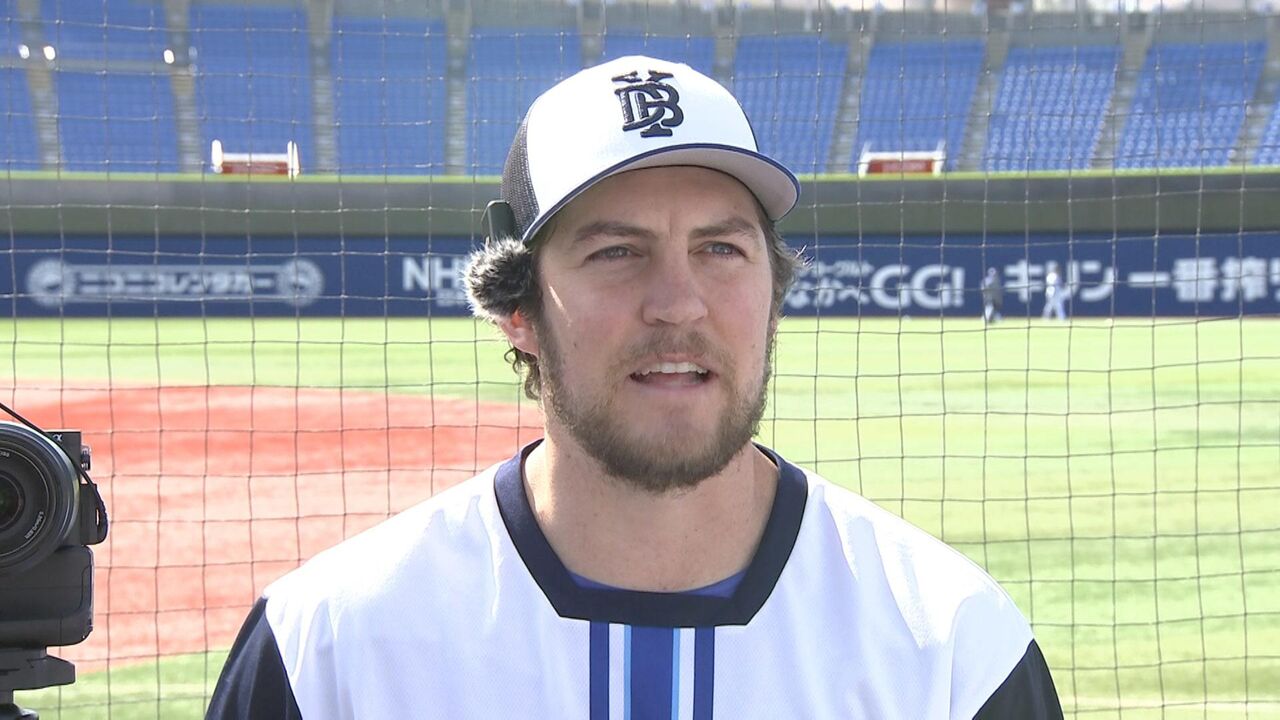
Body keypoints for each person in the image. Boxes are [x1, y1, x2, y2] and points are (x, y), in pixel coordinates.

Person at [206, 56, 1063, 719]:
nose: (679, 302)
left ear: (774, 293)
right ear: (517, 310)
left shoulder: (953, 647)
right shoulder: (330, 649)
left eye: (721, 248)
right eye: (616, 251)